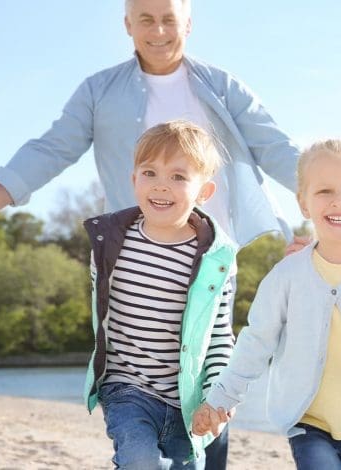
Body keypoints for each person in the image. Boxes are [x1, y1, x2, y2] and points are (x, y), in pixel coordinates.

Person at [0, 1, 301, 466]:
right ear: (128, 25)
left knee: (208, 368)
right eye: (145, 18)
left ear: (188, 23)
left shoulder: (222, 87)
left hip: (209, 256)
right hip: (137, 252)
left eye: (169, 18)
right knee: (140, 367)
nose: (159, 29)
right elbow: (53, 147)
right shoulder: (100, 90)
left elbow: (274, 145)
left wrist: (326, 200)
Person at [191, 140, 341, 469]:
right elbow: (255, 343)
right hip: (309, 424)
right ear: (303, 203)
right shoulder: (286, 276)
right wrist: (218, 400)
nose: (339, 201)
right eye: (325, 191)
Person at [84, 120, 236, 469]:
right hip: (127, 388)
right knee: (140, 461)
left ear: (204, 192)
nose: (161, 186)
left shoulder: (217, 259)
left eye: (179, 177)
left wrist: (217, 396)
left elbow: (219, 338)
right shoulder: (110, 244)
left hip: (187, 398)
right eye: (150, 172)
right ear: (134, 179)